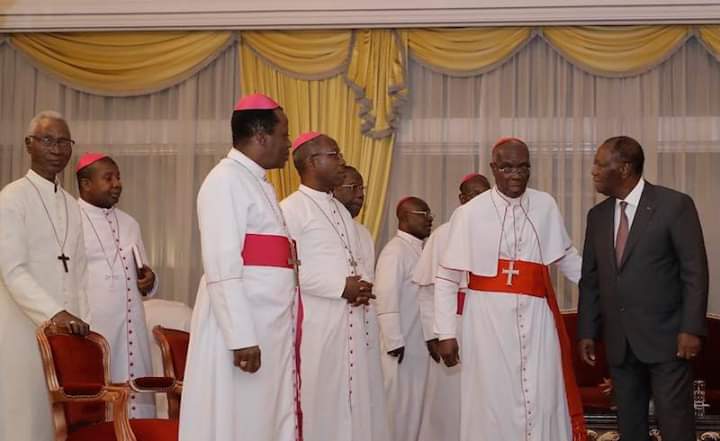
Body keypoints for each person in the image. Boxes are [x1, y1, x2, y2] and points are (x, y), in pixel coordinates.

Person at [434, 137, 586, 441]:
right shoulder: (470, 213)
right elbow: (447, 277)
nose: (515, 174)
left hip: (537, 319)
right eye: (507, 168)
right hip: (487, 320)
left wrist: (607, 287)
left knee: (542, 393)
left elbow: (566, 258)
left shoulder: (545, 205)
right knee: (491, 398)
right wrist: (446, 333)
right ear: (493, 168)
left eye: (522, 167)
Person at [179, 93, 301, 441]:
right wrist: (241, 336)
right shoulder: (225, 180)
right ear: (261, 136)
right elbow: (222, 265)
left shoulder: (257, 182)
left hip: (267, 324)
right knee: (240, 418)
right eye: (284, 135)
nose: (288, 144)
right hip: (243, 328)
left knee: (263, 416)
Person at [578, 135, 709, 441]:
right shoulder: (597, 216)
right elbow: (591, 279)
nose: (594, 171)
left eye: (600, 164)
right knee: (630, 426)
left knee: (675, 425)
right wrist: (587, 331)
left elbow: (694, 272)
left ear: (624, 168)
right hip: (620, 342)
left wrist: (691, 328)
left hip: (668, 339)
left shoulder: (674, 205)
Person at [0, 111, 90, 441]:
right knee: (24, 418)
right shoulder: (11, 197)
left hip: (66, 334)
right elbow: (12, 270)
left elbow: (80, 272)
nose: (56, 149)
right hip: (22, 328)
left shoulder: (71, 204)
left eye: (64, 142)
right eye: (48, 140)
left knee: (60, 424)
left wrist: (84, 321)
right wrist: (55, 313)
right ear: (29, 144)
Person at [281, 132, 375, 441]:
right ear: (312, 162)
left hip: (348, 323)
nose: (342, 162)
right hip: (316, 325)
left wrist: (359, 287)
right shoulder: (290, 210)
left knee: (351, 404)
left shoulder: (340, 211)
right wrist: (340, 287)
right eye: (335, 155)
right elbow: (286, 269)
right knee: (318, 403)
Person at [76, 152, 159, 418]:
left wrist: (150, 280)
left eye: (118, 177)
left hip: (133, 325)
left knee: (136, 398)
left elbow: (143, 272)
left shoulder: (130, 223)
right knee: (99, 405)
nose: (117, 184)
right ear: (86, 184)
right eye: (108, 178)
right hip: (95, 327)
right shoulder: (71, 220)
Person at [413, 173, 490, 441]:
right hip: (452, 325)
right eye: (474, 194)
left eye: (485, 194)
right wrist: (432, 335)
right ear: (462, 198)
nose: (480, 199)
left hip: (487, 326)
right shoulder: (443, 234)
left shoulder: (499, 230)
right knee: (449, 400)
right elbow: (427, 291)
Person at [333, 165, 391, 441]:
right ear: (333, 189)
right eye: (352, 188)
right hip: (334, 327)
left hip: (364, 324)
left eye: (362, 189)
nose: (360, 195)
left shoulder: (363, 233)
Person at [374, 196, 433, 441]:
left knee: (415, 409)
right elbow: (385, 295)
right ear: (405, 217)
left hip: (419, 344)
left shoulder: (421, 250)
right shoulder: (395, 251)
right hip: (401, 346)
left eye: (430, 214)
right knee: (397, 409)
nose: (430, 219)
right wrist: (393, 340)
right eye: (424, 214)